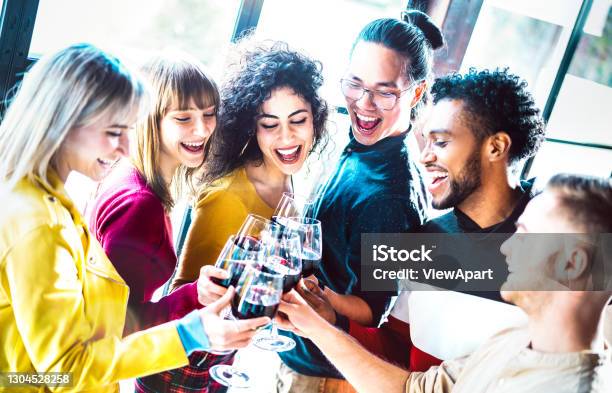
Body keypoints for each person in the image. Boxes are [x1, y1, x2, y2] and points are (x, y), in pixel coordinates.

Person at [0, 44, 269, 392]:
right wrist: (191, 333)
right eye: (114, 131)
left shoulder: (36, 196)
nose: (127, 148)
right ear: (64, 123)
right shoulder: (39, 225)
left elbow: (87, 323)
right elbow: (69, 371)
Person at [278, 174, 612, 393]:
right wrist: (319, 326)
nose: (507, 247)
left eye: (524, 236)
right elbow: (412, 388)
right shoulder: (514, 340)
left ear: (574, 263)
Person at [273, 12, 444, 392]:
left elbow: (373, 310)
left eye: (384, 91)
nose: (363, 104)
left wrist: (313, 294)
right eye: (354, 84)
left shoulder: (391, 195)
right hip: (299, 349)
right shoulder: (359, 144)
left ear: (415, 93)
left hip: (325, 374)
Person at [341, 68, 547, 371]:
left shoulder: (561, 237)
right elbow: (398, 348)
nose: (424, 157)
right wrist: (328, 318)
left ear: (496, 147)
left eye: (440, 142)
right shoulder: (424, 239)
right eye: (426, 141)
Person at [163, 39, 328, 389]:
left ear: (316, 120)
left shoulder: (286, 183)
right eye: (270, 124)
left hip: (225, 359)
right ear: (251, 128)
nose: (286, 137)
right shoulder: (227, 197)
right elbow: (180, 294)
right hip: (185, 364)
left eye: (298, 120)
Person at [86, 54, 231, 392]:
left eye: (209, 114)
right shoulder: (141, 207)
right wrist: (193, 297)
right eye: (184, 117)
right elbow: (119, 327)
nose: (202, 128)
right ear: (150, 119)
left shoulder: (125, 171)